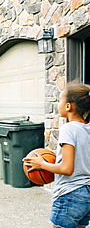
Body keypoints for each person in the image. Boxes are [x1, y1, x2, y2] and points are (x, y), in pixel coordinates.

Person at [24, 81, 90, 228]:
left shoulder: (68, 128)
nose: (58, 103)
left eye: (60, 100)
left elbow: (67, 169)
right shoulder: (87, 128)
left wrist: (41, 164)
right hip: (87, 196)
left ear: (68, 106)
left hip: (70, 195)